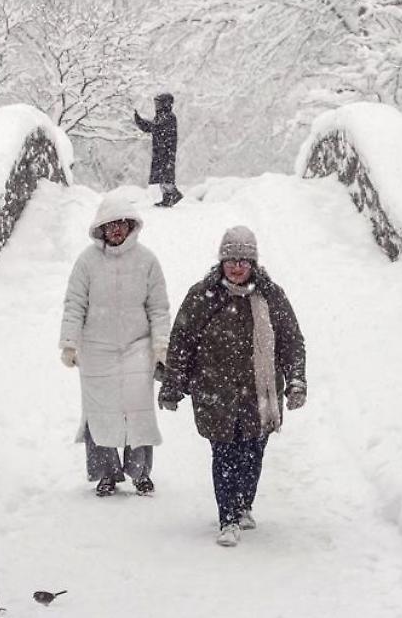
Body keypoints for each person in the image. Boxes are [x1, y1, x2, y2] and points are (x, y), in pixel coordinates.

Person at [158, 226, 306, 546]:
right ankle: (228, 518)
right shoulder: (203, 295)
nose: (237, 267)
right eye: (231, 260)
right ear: (221, 262)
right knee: (224, 454)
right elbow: (182, 341)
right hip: (215, 393)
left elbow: (291, 341)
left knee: (252, 453)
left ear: (253, 263)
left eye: (243, 261)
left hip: (259, 394)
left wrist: (296, 380)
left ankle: (243, 505)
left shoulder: (271, 296)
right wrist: (172, 385)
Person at [60, 193, 171, 496]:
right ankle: (106, 473)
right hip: (96, 348)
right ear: (101, 228)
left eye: (122, 223)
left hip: (137, 345)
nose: (117, 229)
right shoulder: (87, 261)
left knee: (137, 409)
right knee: (100, 412)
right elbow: (74, 303)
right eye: (110, 224)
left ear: (131, 225)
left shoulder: (147, 260)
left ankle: (140, 472)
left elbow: (158, 308)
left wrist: (161, 346)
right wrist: (69, 343)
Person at [132, 92, 183, 207]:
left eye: (159, 104)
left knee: (166, 174)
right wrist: (138, 119)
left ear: (166, 104)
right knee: (162, 175)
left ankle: (171, 196)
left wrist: (139, 120)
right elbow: (150, 127)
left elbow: (153, 127)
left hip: (165, 151)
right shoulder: (161, 117)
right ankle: (169, 197)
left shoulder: (169, 117)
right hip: (160, 150)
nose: (156, 106)